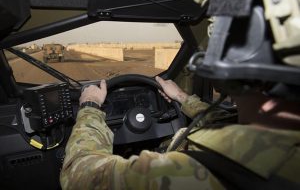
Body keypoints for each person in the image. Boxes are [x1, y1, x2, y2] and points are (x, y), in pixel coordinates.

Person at [60, 75, 300, 190]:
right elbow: (224, 119)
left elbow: (78, 176)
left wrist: (90, 106)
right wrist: (181, 98)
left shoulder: (190, 176)